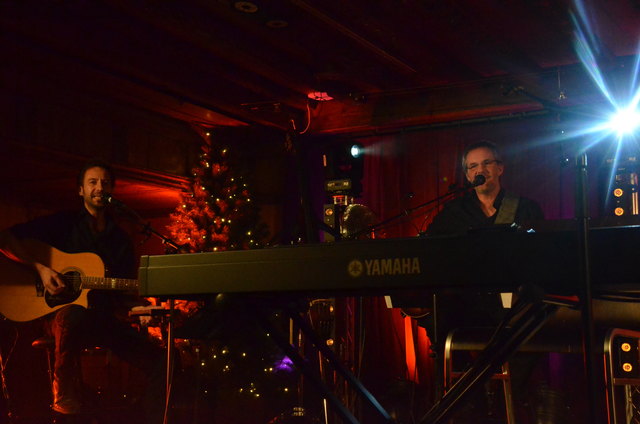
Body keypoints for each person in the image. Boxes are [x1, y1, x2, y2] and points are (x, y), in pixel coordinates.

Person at [0, 159, 164, 422]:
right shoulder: (63, 224)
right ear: (81, 190)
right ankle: (64, 398)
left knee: (162, 361)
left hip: (103, 320)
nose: (100, 187)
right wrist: (40, 269)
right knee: (73, 314)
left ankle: (145, 417)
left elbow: (123, 294)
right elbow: (5, 239)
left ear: (112, 191)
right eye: (92, 182)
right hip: (59, 318)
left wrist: (143, 307)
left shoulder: (121, 239)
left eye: (105, 183)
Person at [427, 140, 544, 236]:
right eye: (473, 166)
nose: (481, 170)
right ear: (467, 176)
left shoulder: (526, 208)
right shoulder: (453, 211)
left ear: (500, 168)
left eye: (487, 163)